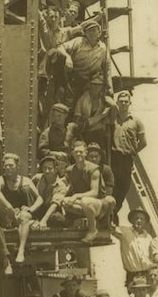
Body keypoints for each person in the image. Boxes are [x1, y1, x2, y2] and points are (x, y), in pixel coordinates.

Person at [0, 152, 42, 264]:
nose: (8, 168)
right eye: (5, 166)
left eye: (11, 165)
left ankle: (21, 251)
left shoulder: (26, 181)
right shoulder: (0, 180)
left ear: (17, 167)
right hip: (7, 215)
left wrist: (31, 209)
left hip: (22, 214)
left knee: (24, 217)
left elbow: (40, 199)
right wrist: (9, 207)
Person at [56, 16, 110, 109]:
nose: (92, 33)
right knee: (70, 102)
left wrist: (109, 87)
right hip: (74, 77)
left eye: (94, 30)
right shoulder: (79, 41)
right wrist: (67, 57)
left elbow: (107, 67)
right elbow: (60, 47)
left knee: (89, 105)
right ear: (85, 33)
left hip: (91, 81)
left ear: (99, 32)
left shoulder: (103, 47)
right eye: (89, 31)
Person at [62, 139, 109, 244]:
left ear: (85, 153)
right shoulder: (70, 170)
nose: (78, 154)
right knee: (64, 202)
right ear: (72, 153)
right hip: (84, 205)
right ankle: (85, 217)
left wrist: (76, 196)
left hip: (98, 204)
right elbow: (67, 186)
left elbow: (94, 192)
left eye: (81, 152)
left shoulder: (94, 169)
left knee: (85, 201)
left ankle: (93, 229)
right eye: (76, 152)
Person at [109, 90, 146, 222]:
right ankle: (110, 214)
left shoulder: (136, 121)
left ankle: (115, 211)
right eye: (121, 101)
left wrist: (133, 151)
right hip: (113, 158)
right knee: (111, 186)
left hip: (127, 159)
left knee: (123, 187)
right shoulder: (112, 119)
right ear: (117, 103)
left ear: (130, 103)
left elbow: (143, 142)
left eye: (126, 101)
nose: (123, 104)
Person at [114, 208, 154, 284]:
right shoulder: (124, 232)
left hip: (147, 275)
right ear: (132, 220)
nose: (139, 221)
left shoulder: (149, 237)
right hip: (132, 276)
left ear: (145, 222)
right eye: (136, 218)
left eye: (142, 219)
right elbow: (111, 229)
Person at [31, 154, 69, 230]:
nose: (47, 171)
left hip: (51, 211)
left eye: (50, 168)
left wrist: (44, 220)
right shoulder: (37, 178)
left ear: (55, 169)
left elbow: (54, 205)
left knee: (57, 218)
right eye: (44, 168)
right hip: (37, 208)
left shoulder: (61, 186)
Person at [85, 143, 117, 230]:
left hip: (100, 201)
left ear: (100, 157)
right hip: (85, 201)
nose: (94, 159)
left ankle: (104, 224)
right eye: (91, 156)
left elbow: (109, 192)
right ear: (86, 157)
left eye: (96, 156)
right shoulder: (82, 169)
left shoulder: (106, 170)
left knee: (110, 200)